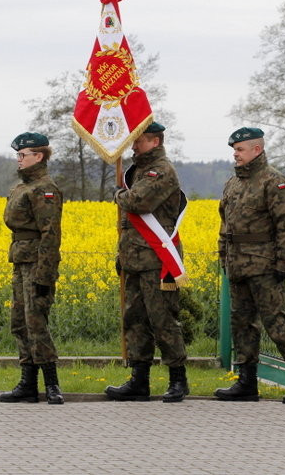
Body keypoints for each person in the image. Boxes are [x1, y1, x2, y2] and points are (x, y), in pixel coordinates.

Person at [215, 127, 285, 404]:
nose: (235, 154)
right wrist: (223, 255)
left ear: (257, 150)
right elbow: (225, 224)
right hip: (238, 265)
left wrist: (283, 262)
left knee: (275, 321)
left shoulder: (274, 182)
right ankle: (246, 383)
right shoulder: (233, 183)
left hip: (264, 265)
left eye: (240, 149)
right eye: (234, 150)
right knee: (242, 323)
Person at [105, 122, 190, 403]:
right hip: (134, 258)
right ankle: (139, 380)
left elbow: (138, 202)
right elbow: (129, 221)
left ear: (154, 141)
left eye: (138, 140)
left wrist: (118, 194)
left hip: (157, 259)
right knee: (135, 320)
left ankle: (178, 379)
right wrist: (122, 254)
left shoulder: (161, 170)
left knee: (163, 319)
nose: (133, 145)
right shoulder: (139, 170)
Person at [0, 132, 64, 405]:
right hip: (21, 261)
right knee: (20, 323)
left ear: (39, 156)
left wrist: (45, 275)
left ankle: (52, 385)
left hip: (37, 263)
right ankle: (28, 383)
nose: (19, 160)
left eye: (23, 155)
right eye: (18, 156)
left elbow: (50, 234)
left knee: (37, 323)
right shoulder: (21, 187)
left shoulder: (44, 189)